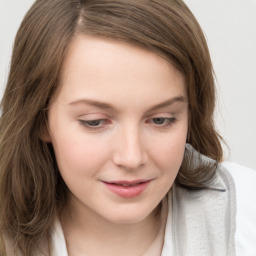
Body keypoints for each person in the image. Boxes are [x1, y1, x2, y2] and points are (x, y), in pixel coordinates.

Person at [0, 0, 255, 255]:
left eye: (161, 119)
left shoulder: (245, 213)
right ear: (40, 119)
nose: (131, 158)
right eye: (95, 122)